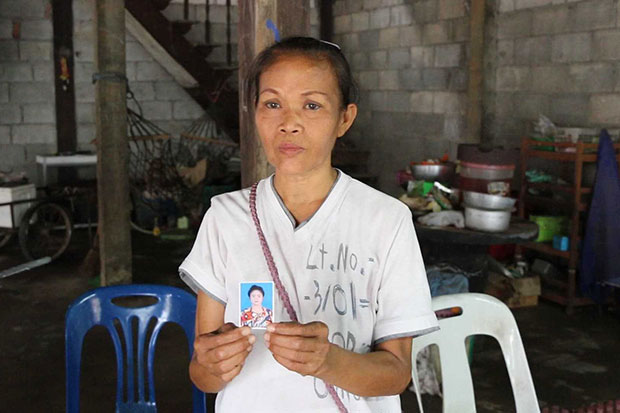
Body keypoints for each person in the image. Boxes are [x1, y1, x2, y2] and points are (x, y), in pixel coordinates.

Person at [179, 36, 438, 412]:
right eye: (272, 104)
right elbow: (203, 374)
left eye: (312, 105)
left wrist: (328, 361)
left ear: (344, 119)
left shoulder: (386, 220)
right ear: (254, 113)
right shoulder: (226, 216)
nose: (289, 123)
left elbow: (396, 374)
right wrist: (211, 364)